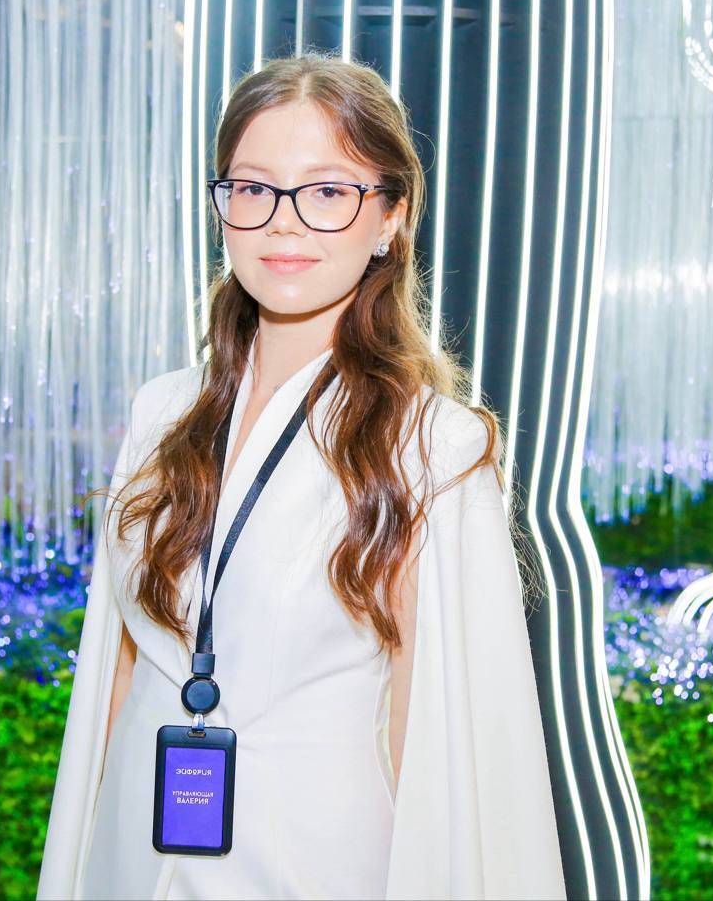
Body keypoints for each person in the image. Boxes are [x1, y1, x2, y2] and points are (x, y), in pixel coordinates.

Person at [37, 53, 566, 901]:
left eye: (327, 191)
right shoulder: (161, 412)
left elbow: (442, 739)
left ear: (390, 217)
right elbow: (120, 673)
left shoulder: (431, 446)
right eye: (254, 188)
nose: (283, 224)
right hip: (132, 862)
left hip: (309, 871)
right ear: (223, 208)